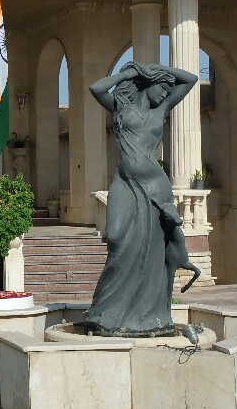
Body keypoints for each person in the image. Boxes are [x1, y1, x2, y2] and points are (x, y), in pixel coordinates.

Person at [83, 61, 200, 337]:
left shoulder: (162, 109)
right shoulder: (120, 107)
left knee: (152, 249)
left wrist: (161, 70)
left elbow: (190, 79)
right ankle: (106, 309)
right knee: (116, 238)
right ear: (147, 85)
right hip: (125, 183)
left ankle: (140, 316)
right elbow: (95, 88)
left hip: (156, 187)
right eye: (160, 88)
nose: (163, 94)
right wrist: (132, 73)